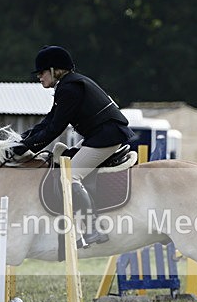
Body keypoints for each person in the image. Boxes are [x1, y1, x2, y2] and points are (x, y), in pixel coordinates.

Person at [12, 45, 133, 245]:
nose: (39, 77)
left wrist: (27, 148)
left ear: (53, 70)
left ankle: (93, 228)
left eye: (41, 72)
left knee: (69, 176)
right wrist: (22, 140)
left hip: (106, 136)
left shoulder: (69, 88)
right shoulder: (68, 85)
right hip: (102, 135)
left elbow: (54, 129)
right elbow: (49, 121)